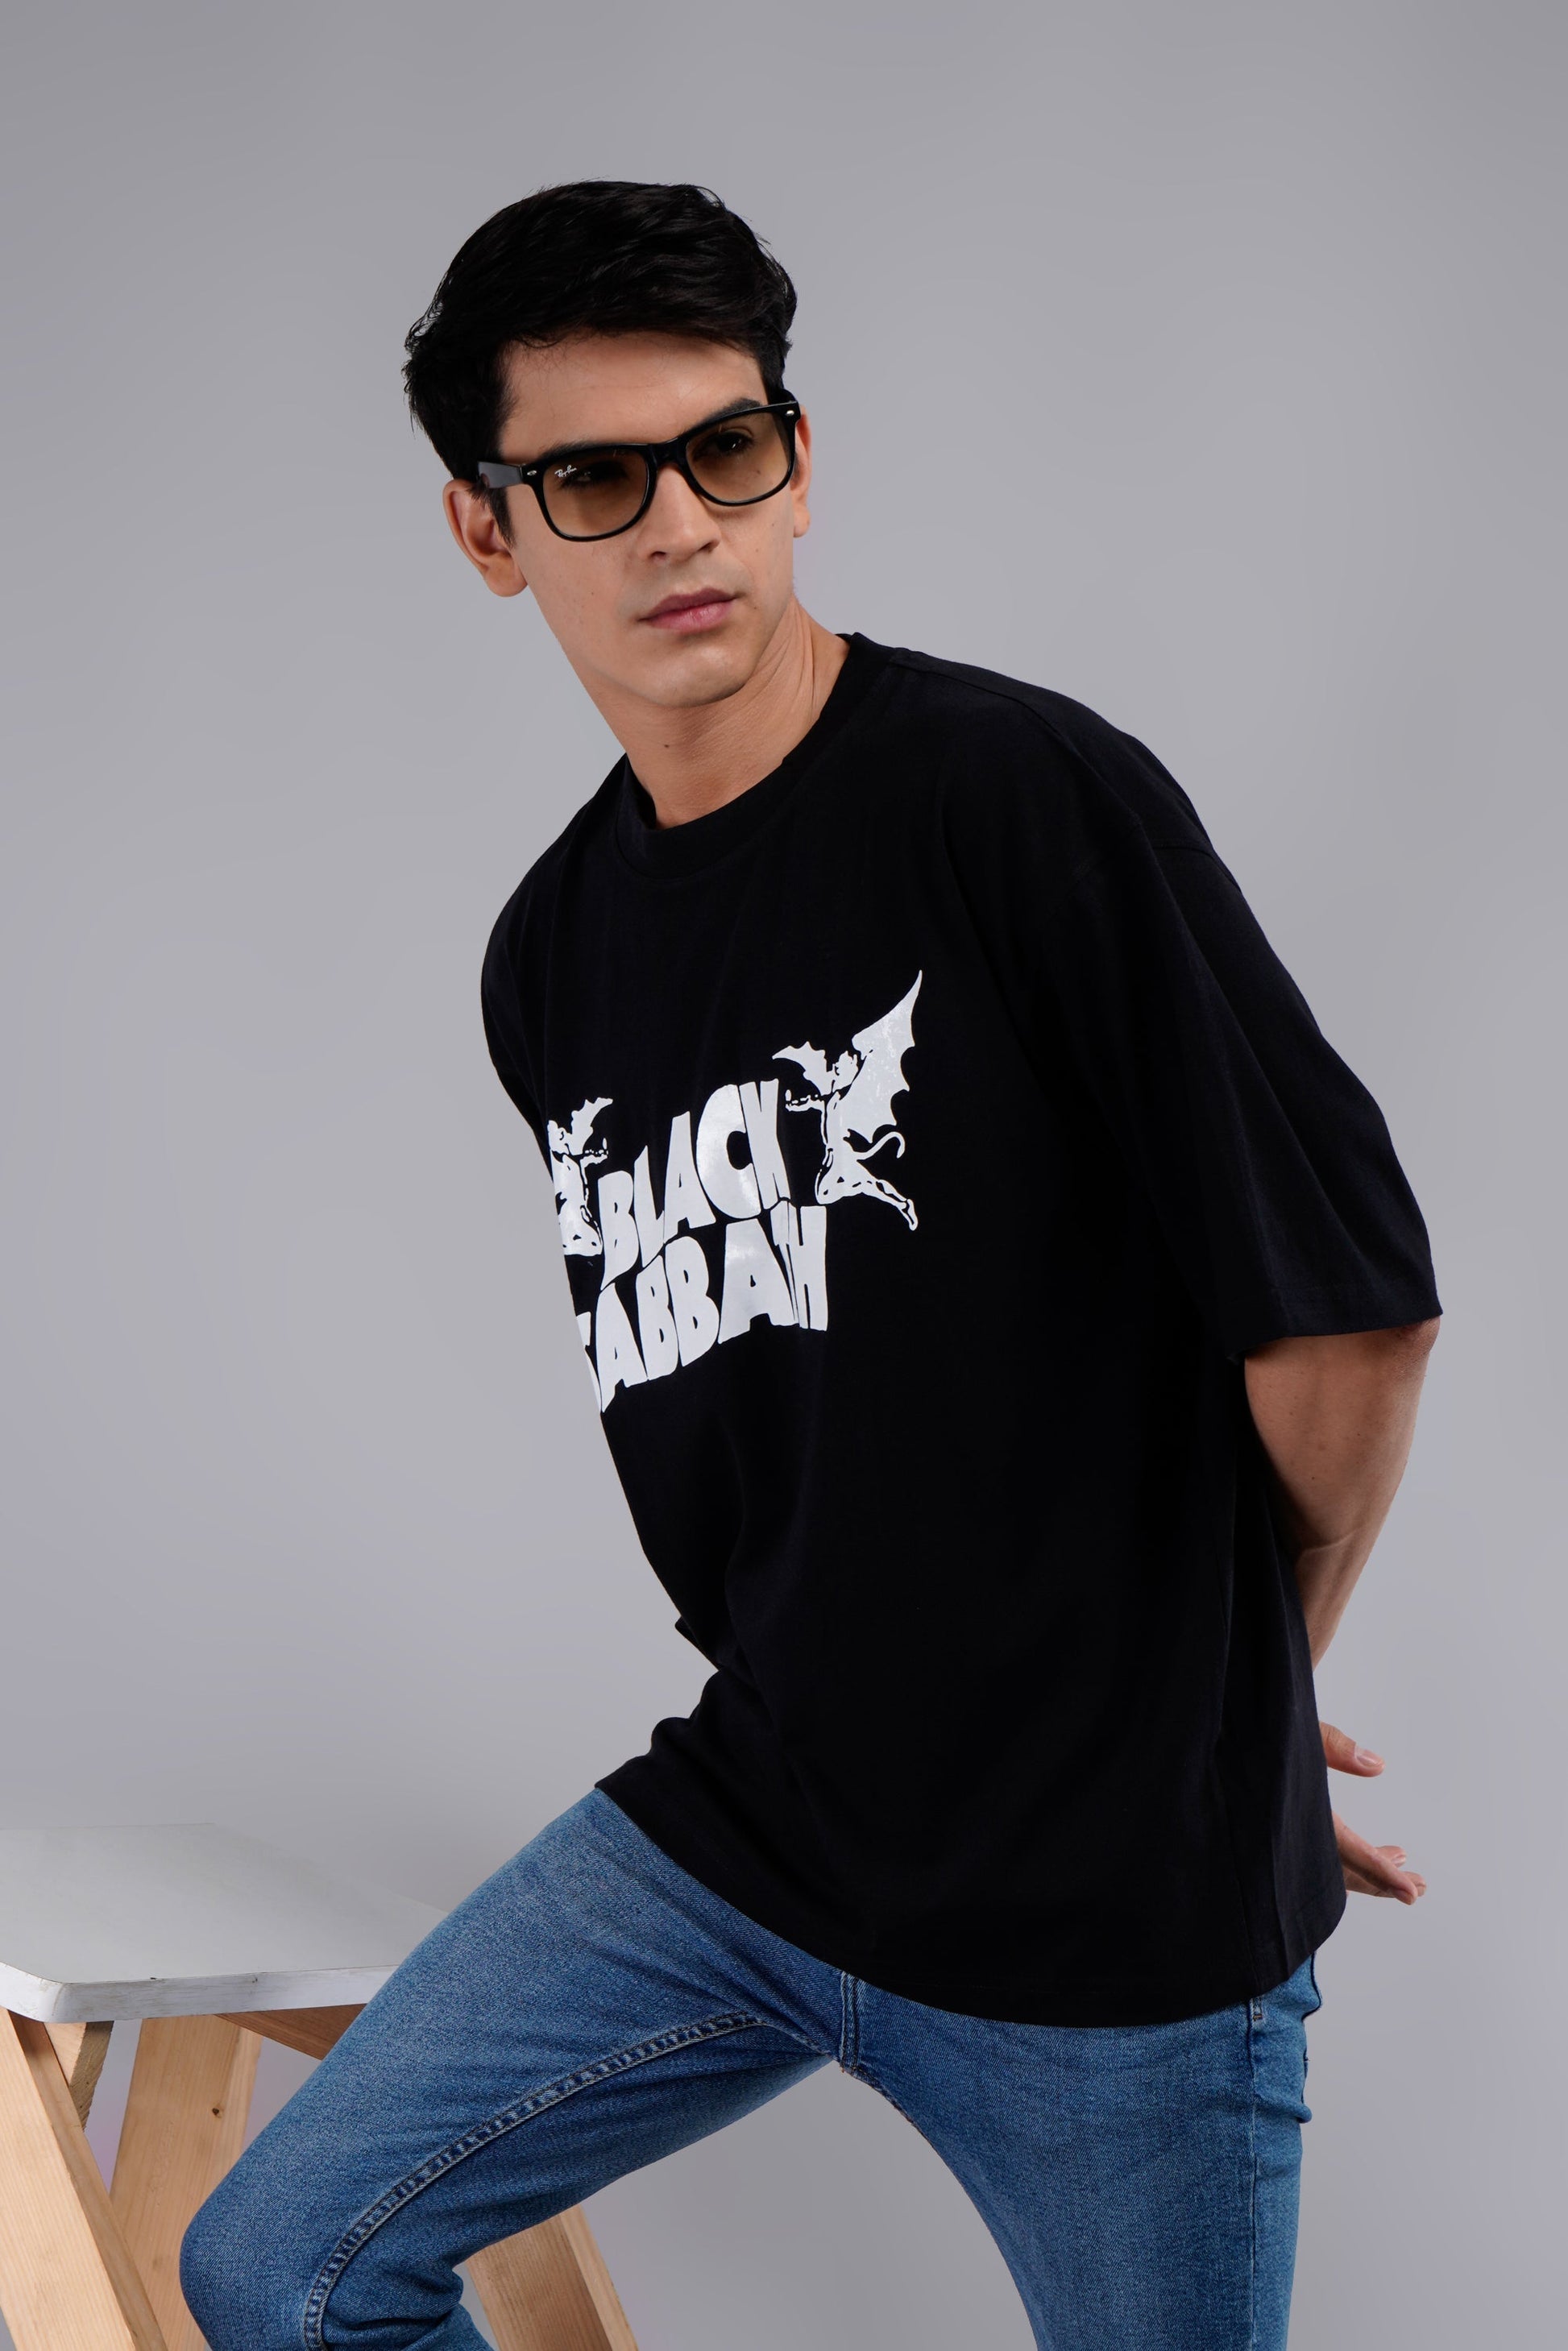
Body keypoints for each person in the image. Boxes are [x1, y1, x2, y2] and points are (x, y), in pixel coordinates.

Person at [181, 180, 1441, 2351]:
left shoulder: (1015, 796)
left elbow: (1345, 1312)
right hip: (761, 1833)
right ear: (488, 531)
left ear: (793, 457)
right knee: (286, 2267)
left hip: (1120, 1929)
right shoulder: (552, 952)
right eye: (595, 478)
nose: (680, 525)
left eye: (725, 449)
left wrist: (1231, 1697)